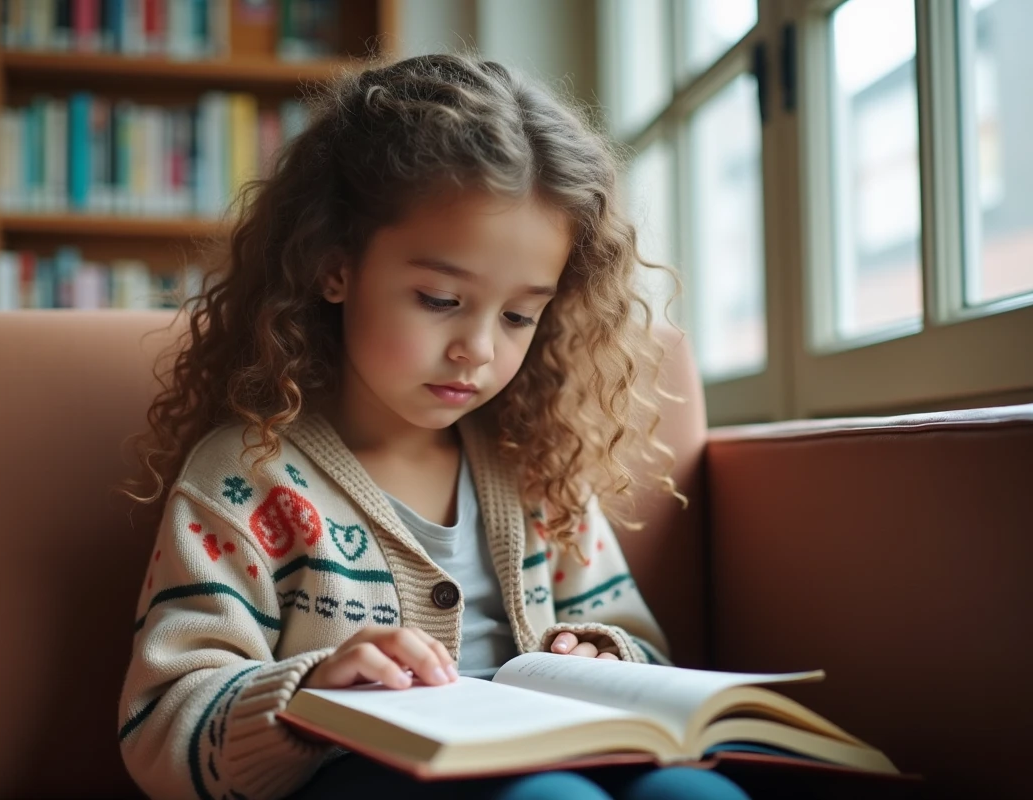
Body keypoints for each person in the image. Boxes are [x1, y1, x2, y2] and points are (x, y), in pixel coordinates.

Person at [117, 52, 749, 800]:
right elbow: (162, 723)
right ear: (334, 266)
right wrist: (313, 692)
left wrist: (603, 658)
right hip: (359, 778)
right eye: (440, 300)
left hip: (551, 759)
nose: (477, 350)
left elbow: (640, 647)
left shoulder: (538, 468)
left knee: (696, 794)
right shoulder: (245, 477)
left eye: (519, 316)